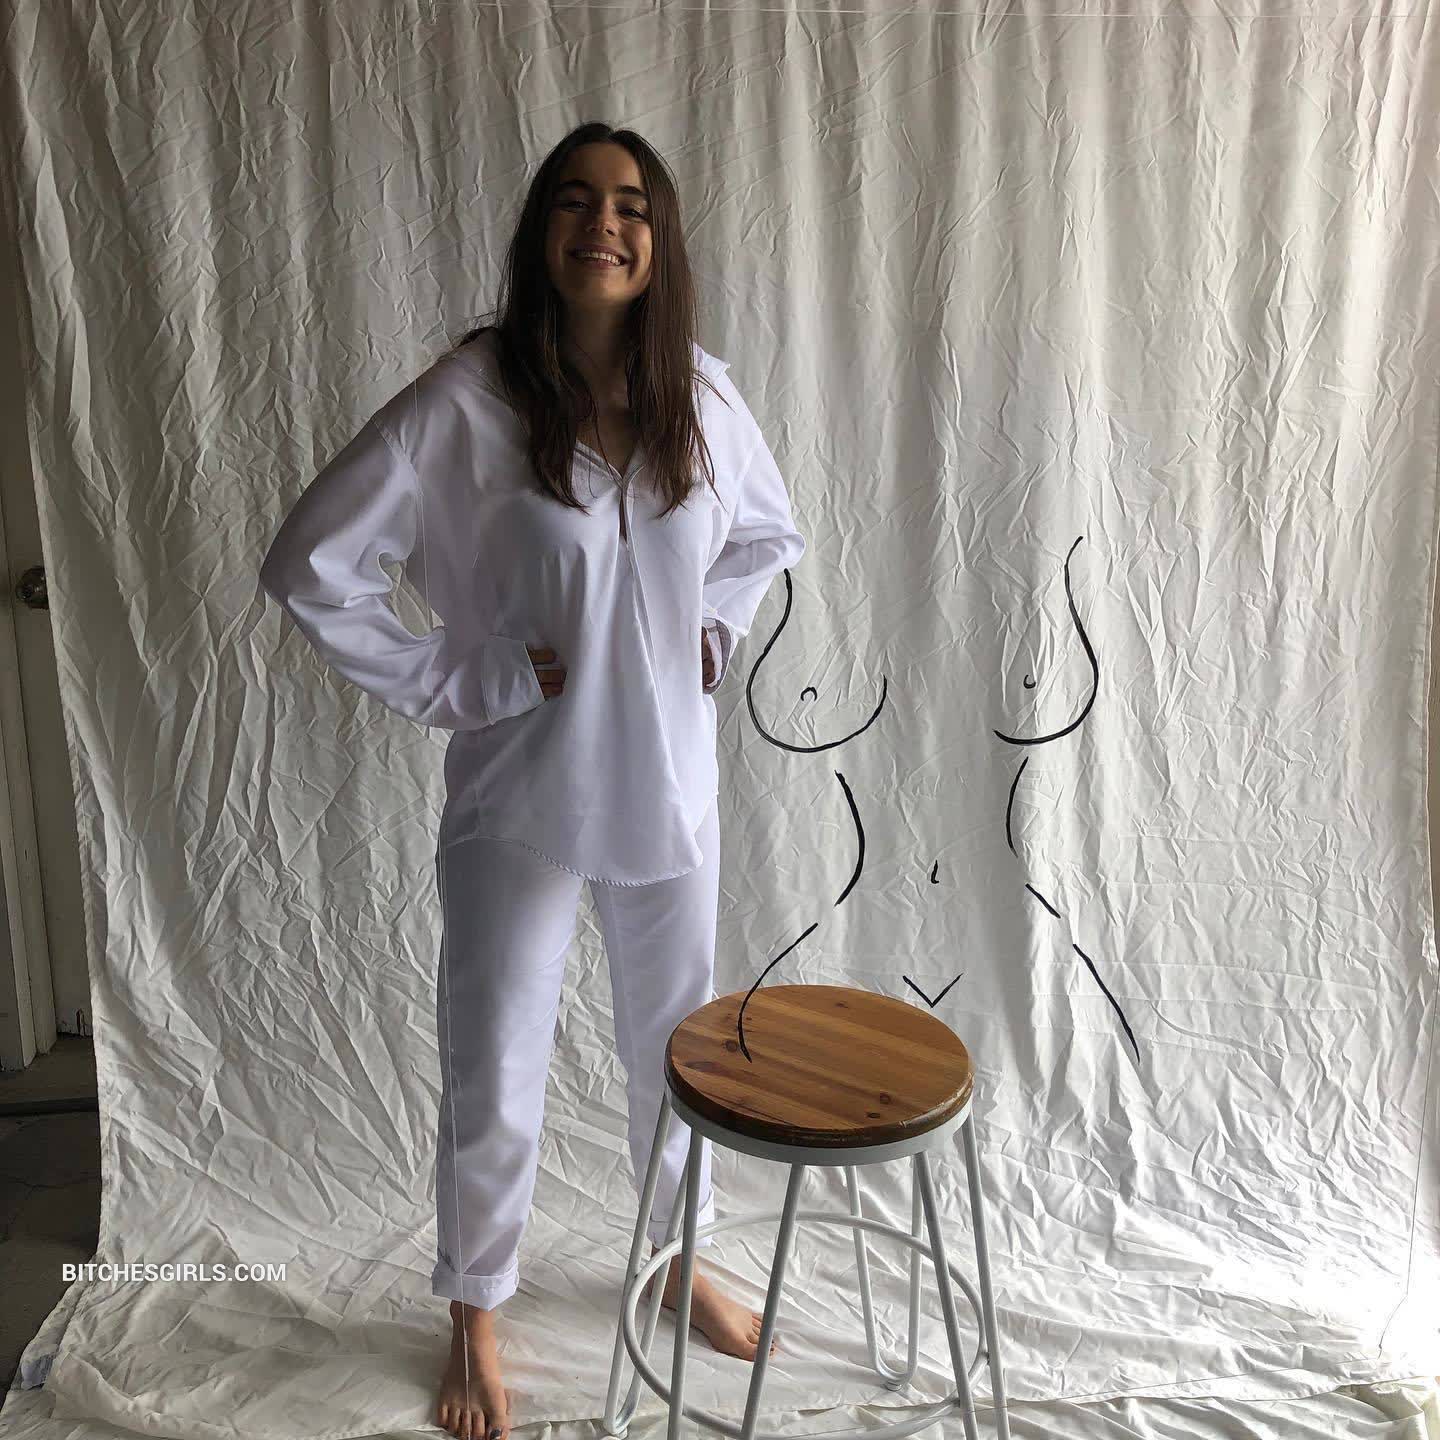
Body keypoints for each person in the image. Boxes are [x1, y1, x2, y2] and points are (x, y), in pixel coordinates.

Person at [257, 122, 805, 1440]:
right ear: (540, 232)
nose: (604, 224)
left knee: (679, 1048)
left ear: (659, 240)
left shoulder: (701, 397)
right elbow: (309, 564)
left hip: (669, 788)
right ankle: (474, 1307)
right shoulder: (466, 401)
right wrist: (465, 677)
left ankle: (678, 1257)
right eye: (575, 201)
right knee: (495, 1058)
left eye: (631, 205)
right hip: (521, 797)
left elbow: (766, 534)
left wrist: (711, 628)